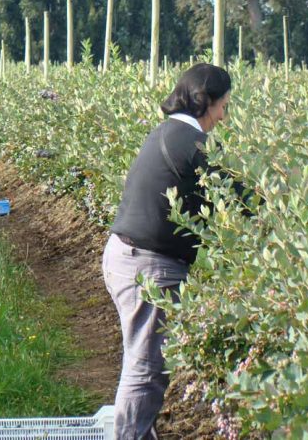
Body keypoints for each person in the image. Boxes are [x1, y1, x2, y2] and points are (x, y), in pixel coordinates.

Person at [102, 63, 235, 439]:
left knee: (142, 362)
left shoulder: (167, 132)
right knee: (146, 369)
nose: (224, 115)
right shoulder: (191, 144)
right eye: (223, 105)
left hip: (126, 258)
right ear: (205, 102)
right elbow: (235, 195)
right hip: (147, 268)